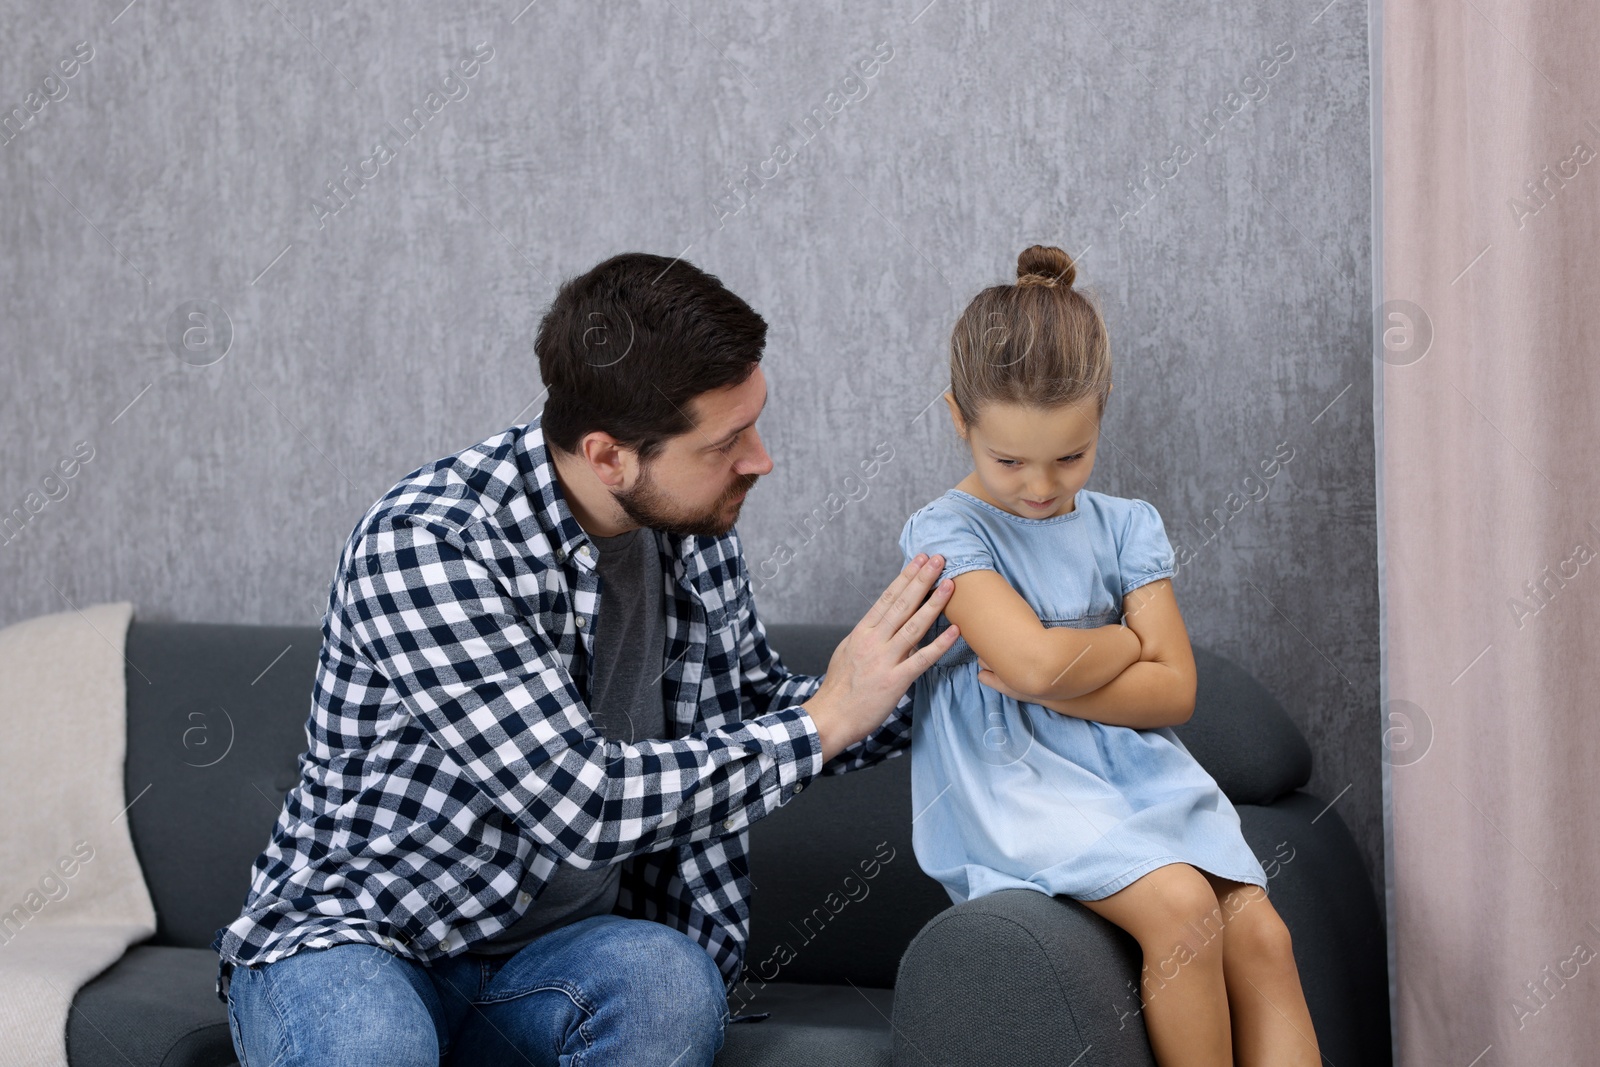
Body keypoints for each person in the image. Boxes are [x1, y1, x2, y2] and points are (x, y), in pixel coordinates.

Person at [212, 251, 961, 1066]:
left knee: (669, 979)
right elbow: (582, 802)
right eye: (727, 440)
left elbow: (754, 719)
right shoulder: (429, 542)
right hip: (363, 936)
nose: (761, 459)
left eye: (755, 422)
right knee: (374, 1044)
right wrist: (822, 722)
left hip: (550, 963)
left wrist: (963, 681)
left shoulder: (687, 534)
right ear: (609, 457)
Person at [896, 244, 1321, 1066]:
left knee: (1261, 933)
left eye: (1070, 456)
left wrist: (1066, 667)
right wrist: (1127, 639)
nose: (1041, 487)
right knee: (1181, 905)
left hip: (1139, 772)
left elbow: (1174, 693)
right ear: (959, 418)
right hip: (1019, 785)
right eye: (1008, 460)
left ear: (1101, 411)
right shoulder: (948, 530)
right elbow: (1024, 667)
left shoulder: (1127, 525)